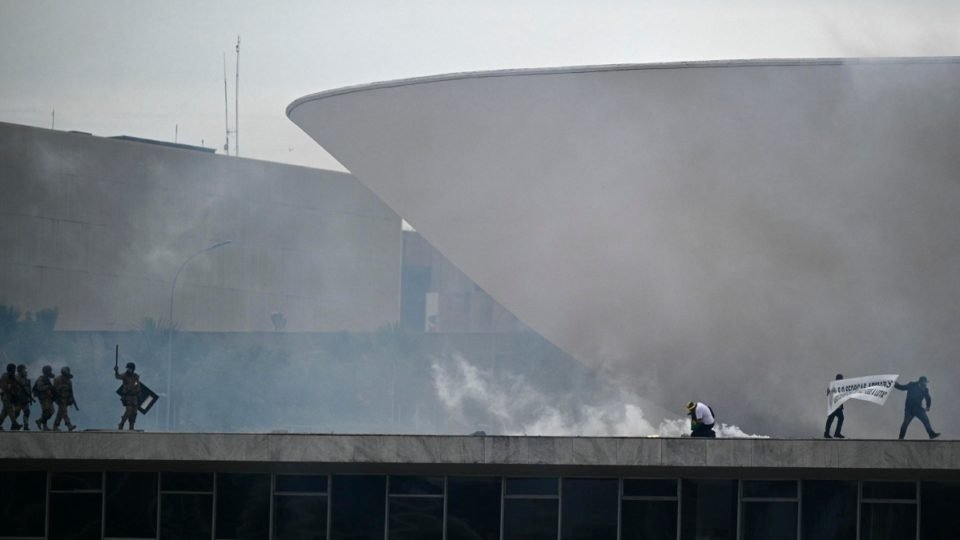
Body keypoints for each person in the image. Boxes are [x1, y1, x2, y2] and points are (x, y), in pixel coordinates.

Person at [114, 361, 141, 430]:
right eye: (128, 368)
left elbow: (137, 385)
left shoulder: (136, 377)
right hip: (128, 396)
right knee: (129, 411)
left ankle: (131, 426)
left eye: (129, 369)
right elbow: (117, 376)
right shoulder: (125, 375)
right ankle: (122, 423)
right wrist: (116, 371)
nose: (128, 370)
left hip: (135, 396)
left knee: (134, 412)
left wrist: (137, 392)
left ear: (133, 369)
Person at [53, 366, 77, 432]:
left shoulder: (69, 381)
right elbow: (54, 390)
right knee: (64, 412)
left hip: (66, 400)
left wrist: (74, 403)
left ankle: (55, 426)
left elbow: (71, 392)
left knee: (60, 413)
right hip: (60, 399)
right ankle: (69, 425)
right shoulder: (57, 379)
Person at [0, 363, 22, 430]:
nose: (14, 370)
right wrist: (11, 387)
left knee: (5, 412)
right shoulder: (5, 376)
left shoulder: (13, 377)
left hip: (10, 397)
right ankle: (15, 424)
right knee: (10, 410)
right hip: (5, 397)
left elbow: (16, 385)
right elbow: (4, 387)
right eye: (13, 369)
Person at [33, 365, 55, 431]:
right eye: (49, 371)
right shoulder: (41, 379)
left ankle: (40, 421)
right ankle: (45, 427)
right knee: (46, 411)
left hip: (48, 397)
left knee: (51, 411)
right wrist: (48, 387)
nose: (50, 372)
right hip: (43, 398)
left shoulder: (46, 378)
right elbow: (40, 388)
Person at [824, 373, 846, 439]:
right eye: (841, 379)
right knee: (841, 418)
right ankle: (836, 433)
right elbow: (834, 394)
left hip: (833, 406)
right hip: (835, 406)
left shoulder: (833, 385)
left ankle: (826, 433)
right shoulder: (835, 385)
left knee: (830, 419)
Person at [14, 364, 32, 431]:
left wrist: (30, 397)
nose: (26, 371)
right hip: (18, 399)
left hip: (24, 399)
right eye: (24, 370)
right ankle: (14, 424)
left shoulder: (26, 379)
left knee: (27, 412)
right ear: (20, 370)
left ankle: (26, 425)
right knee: (17, 413)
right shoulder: (16, 378)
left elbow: (28, 389)